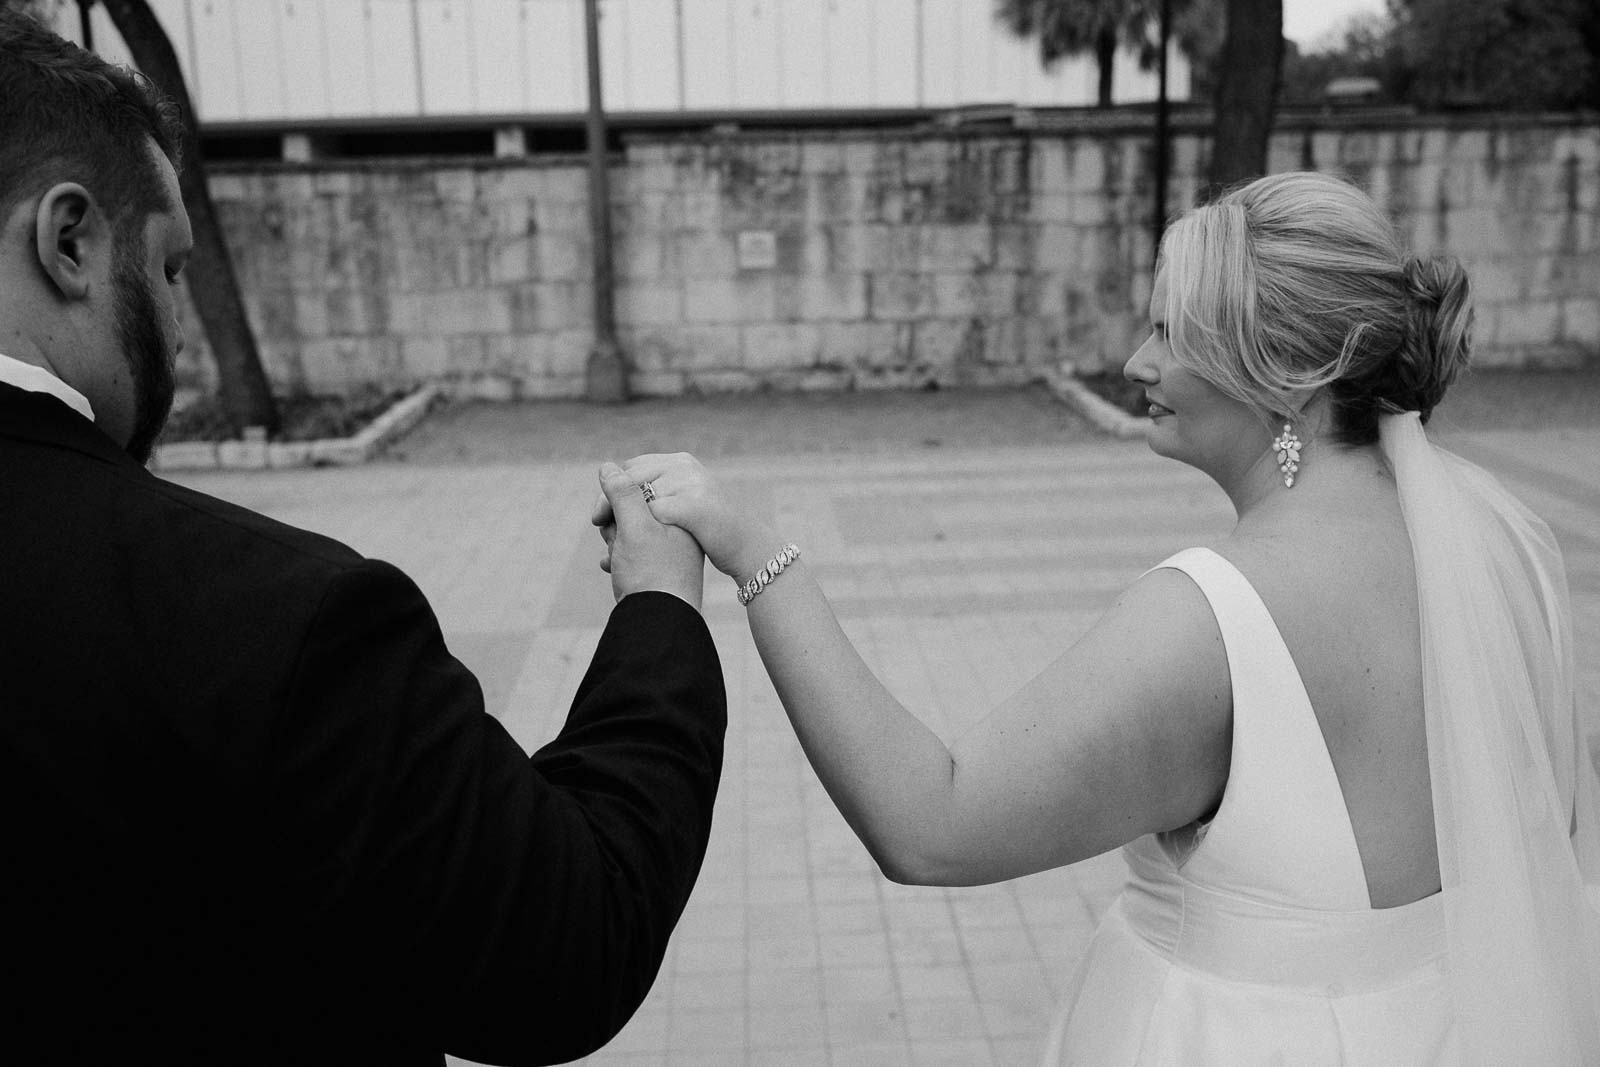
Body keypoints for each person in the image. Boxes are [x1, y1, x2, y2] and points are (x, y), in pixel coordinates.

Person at [601, 172, 1600, 1063]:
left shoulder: (1213, 619)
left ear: (1286, 373)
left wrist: (753, 554)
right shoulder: (1503, 551)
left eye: (1173, 332)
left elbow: (931, 824)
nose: (1134, 359)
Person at [0, 13, 725, 1065]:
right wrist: (657, 605)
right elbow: (570, 937)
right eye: (167, 272)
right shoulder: (270, 617)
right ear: (70, 242)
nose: (176, 322)